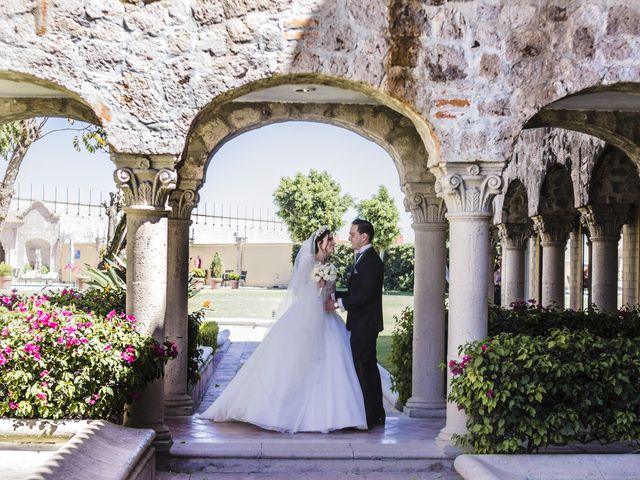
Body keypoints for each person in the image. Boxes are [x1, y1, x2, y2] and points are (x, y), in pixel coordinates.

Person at [200, 226, 367, 433]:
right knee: (294, 361)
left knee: (334, 359)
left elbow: (330, 293)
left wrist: (331, 296)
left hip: (328, 317)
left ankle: (338, 414)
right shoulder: (310, 262)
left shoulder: (329, 265)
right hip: (306, 316)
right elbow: (302, 290)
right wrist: (321, 284)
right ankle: (280, 410)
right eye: (330, 239)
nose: (334, 242)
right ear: (319, 243)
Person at [324, 219, 385, 429]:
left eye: (352, 234)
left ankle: (369, 416)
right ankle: (375, 413)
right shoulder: (363, 258)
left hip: (365, 324)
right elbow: (356, 291)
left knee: (364, 368)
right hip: (362, 323)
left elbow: (366, 295)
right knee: (366, 368)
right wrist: (332, 294)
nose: (349, 238)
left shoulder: (371, 261)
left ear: (363, 237)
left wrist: (338, 304)